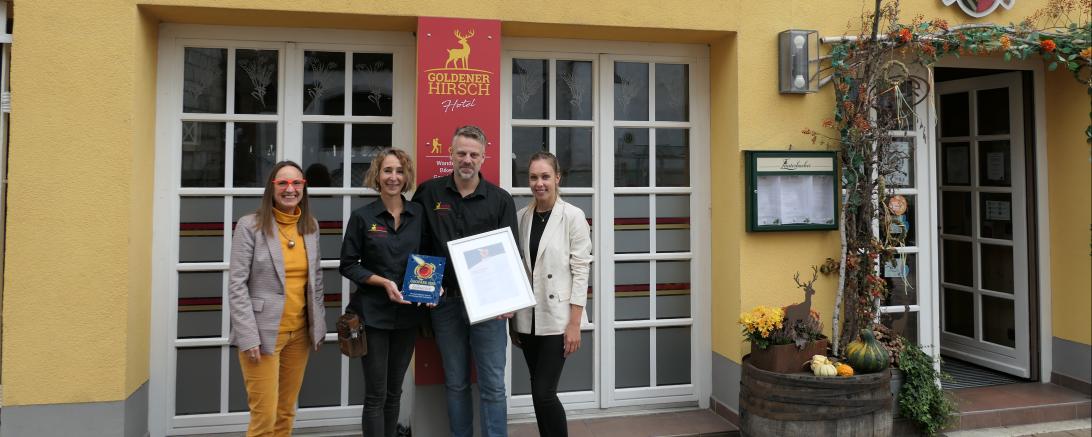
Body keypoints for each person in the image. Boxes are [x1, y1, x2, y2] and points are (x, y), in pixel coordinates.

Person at [412, 125, 518, 437]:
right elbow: (420, 244)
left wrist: (509, 299)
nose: (467, 160)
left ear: (484, 157)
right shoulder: (428, 193)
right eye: (461, 153)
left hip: (489, 307)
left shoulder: (500, 200)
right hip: (445, 303)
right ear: (450, 154)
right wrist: (426, 289)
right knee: (455, 383)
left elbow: (510, 254)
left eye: (474, 154)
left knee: (493, 385)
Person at [228, 161, 327, 437]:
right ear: (271, 188)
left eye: (296, 183)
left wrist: (317, 326)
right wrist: (248, 336)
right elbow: (236, 284)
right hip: (262, 336)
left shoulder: (310, 226)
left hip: (299, 336)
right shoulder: (250, 226)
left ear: (304, 188)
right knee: (264, 418)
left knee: (285, 413)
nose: (290, 189)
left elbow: (316, 279)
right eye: (282, 183)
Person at [339, 148, 427, 437]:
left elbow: (428, 257)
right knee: (376, 394)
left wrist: (432, 284)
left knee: (394, 392)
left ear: (406, 176)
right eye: (387, 170)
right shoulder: (362, 217)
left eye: (399, 171)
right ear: (377, 175)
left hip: (408, 316)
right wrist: (383, 282)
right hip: (373, 315)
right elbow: (348, 265)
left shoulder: (419, 214)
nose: (393, 177)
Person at [511, 152, 592, 437]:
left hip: (558, 319)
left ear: (557, 178)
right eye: (533, 177)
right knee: (538, 391)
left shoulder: (573, 216)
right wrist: (513, 323)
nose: (539, 183)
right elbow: (518, 271)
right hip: (528, 318)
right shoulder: (521, 217)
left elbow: (581, 271)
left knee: (544, 392)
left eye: (545, 176)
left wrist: (574, 323)